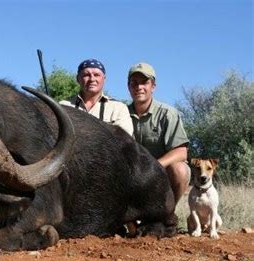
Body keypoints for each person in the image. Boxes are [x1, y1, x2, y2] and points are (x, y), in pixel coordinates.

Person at [127, 62, 190, 204]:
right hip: (132, 175)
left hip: (161, 173)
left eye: (144, 83)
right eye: (134, 83)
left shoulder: (168, 113)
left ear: (153, 86)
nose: (139, 87)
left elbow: (181, 152)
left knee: (180, 170)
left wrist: (153, 167)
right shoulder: (121, 113)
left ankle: (168, 214)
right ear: (129, 87)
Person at [60, 59, 133, 136]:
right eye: (86, 75)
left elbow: (123, 141)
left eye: (97, 75)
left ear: (104, 79)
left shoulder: (118, 108)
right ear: (78, 79)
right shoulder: (63, 106)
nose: (92, 79)